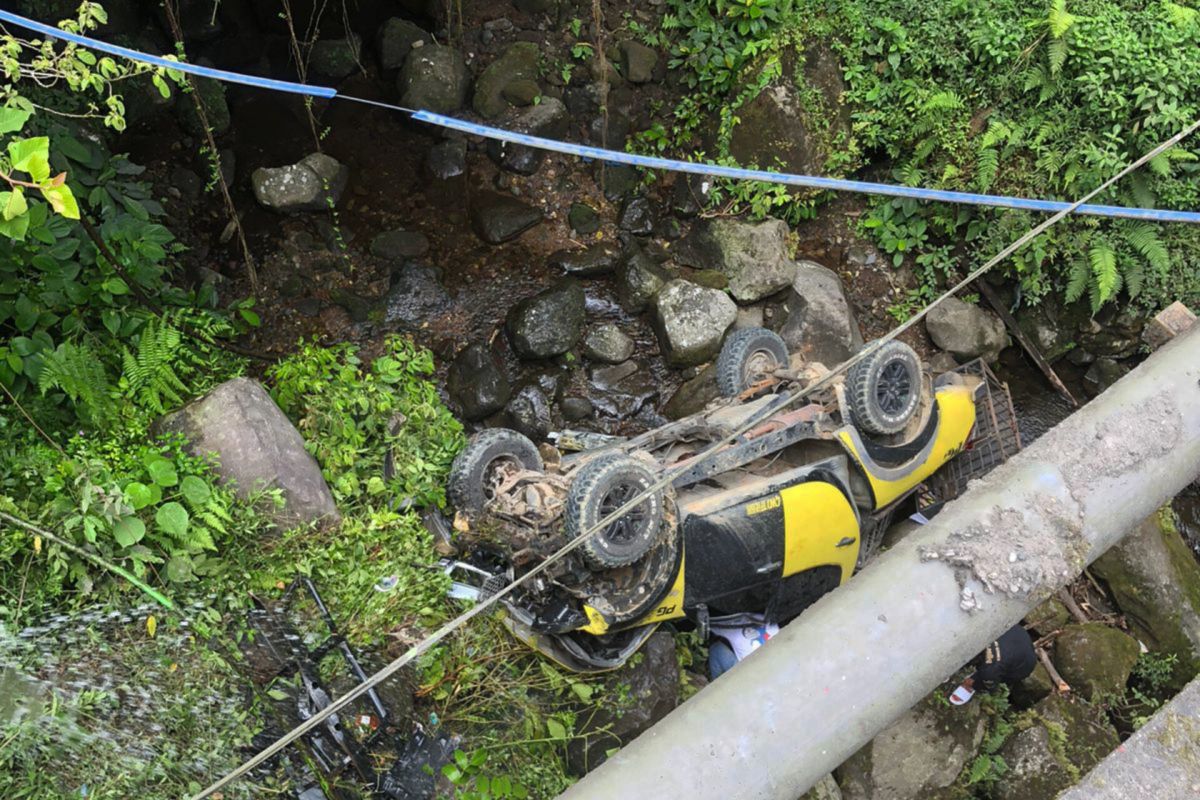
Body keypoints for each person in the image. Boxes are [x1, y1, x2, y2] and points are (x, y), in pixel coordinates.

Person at [949, 624, 1037, 705]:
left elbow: (990, 683)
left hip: (1023, 666)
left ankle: (972, 684)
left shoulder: (990, 670)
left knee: (989, 675)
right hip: (1017, 633)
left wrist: (976, 684)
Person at [706, 613, 779, 680]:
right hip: (773, 665)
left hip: (749, 676)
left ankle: (716, 683)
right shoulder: (767, 619)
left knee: (716, 648)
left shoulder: (733, 631)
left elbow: (708, 625)